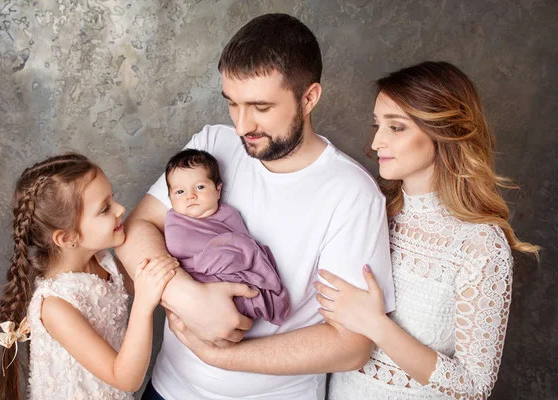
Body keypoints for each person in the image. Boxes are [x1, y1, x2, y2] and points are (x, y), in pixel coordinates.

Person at [116, 13, 395, 400]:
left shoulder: (352, 194)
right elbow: (136, 229)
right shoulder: (213, 144)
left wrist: (220, 355)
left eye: (260, 107)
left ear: (309, 97)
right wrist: (187, 299)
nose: (242, 125)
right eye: (232, 103)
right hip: (166, 390)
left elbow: (352, 344)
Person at [313, 61, 540, 399]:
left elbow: (474, 388)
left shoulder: (480, 245)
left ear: (443, 130)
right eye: (378, 125)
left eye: (396, 127)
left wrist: (377, 325)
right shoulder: (372, 212)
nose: (376, 142)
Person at [0, 153, 179, 400]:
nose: (121, 209)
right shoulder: (55, 306)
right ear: (67, 238)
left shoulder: (101, 259)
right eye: (105, 209)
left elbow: (149, 281)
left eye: (112, 199)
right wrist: (143, 307)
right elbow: (126, 379)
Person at [164, 148, 290, 325]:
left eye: (199, 187)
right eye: (179, 192)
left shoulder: (229, 215)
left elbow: (244, 248)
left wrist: (236, 253)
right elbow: (179, 248)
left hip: (228, 277)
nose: (190, 196)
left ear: (217, 189)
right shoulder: (175, 221)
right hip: (196, 281)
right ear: (169, 197)